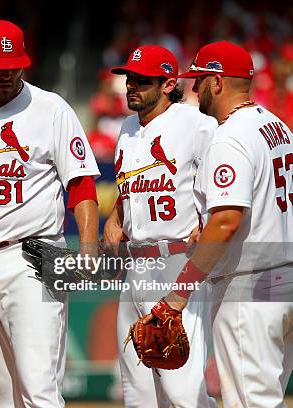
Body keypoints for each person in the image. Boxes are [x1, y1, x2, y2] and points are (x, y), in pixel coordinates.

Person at [0, 20, 100, 407]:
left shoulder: (51, 108)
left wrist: (89, 246)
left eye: (15, 64)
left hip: (37, 252)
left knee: (38, 386)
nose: (8, 73)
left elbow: (80, 184)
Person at [160, 40, 293, 408]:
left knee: (250, 403)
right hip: (283, 277)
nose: (193, 88)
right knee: (266, 398)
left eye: (199, 79)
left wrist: (178, 294)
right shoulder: (277, 127)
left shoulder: (231, 136)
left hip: (250, 284)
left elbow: (227, 221)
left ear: (216, 82)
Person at [103, 45, 217, 408]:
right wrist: (116, 216)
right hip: (136, 266)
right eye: (129, 78)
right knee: (138, 392)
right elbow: (131, 188)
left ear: (169, 83)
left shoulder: (197, 123)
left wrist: (210, 221)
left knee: (183, 391)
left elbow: (224, 185)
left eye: (142, 80)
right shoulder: (126, 127)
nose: (131, 86)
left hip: (177, 261)